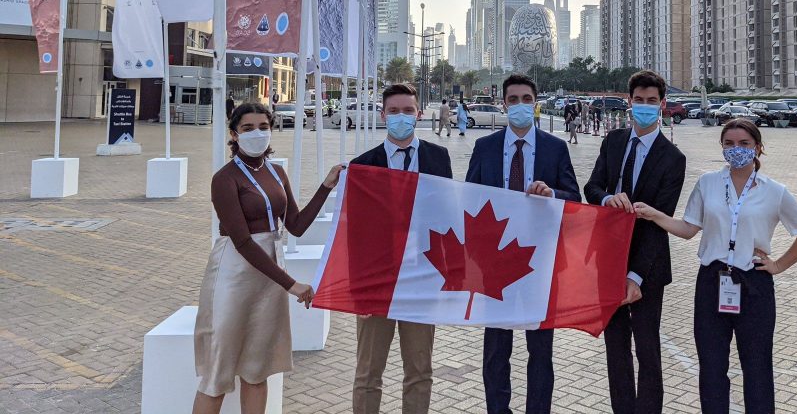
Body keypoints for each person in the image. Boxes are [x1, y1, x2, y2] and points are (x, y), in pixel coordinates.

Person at [635, 118, 797, 414]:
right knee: (711, 367)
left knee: (757, 367)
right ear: (722, 147)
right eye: (730, 144)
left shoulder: (774, 191)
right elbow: (687, 228)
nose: (737, 150)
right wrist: (654, 215)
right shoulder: (708, 183)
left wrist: (778, 265)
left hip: (754, 282)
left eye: (745, 144)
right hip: (712, 281)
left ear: (758, 148)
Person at [194, 103, 343, 414]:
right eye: (248, 128)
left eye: (263, 126)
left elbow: (297, 226)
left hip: (269, 274)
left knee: (256, 369)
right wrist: (291, 284)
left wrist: (325, 188)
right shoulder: (225, 178)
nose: (257, 133)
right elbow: (243, 243)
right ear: (234, 134)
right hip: (234, 275)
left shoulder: (276, 172)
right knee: (217, 374)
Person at [466, 73, 581, 414]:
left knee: (541, 350)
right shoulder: (484, 148)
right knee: (497, 349)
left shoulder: (555, 148)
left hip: (539, 264)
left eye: (526, 99)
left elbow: (574, 198)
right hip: (494, 265)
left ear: (536, 103)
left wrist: (553, 194)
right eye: (512, 99)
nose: (519, 105)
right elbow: (469, 201)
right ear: (504, 104)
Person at [583, 70, 686, 414]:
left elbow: (659, 223)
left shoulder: (673, 159)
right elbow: (592, 187)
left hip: (647, 268)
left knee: (647, 347)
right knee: (616, 348)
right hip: (608, 261)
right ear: (629, 102)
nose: (644, 107)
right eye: (638, 101)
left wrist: (636, 277)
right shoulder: (613, 142)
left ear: (662, 105)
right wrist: (607, 198)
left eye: (651, 102)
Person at [350, 83, 454, 414]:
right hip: (377, 282)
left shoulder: (439, 158)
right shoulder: (364, 165)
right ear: (382, 115)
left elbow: (447, 219)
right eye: (393, 111)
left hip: (422, 280)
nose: (401, 117)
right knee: (368, 373)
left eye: (408, 111)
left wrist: (447, 278)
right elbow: (355, 234)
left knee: (420, 372)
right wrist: (358, 290)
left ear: (419, 114)